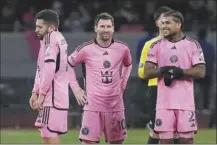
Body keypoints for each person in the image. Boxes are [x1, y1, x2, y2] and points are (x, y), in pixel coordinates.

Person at [68, 13, 132, 144]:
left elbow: (128, 64)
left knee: (118, 142)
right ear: (96, 28)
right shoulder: (85, 49)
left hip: (115, 106)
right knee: (87, 142)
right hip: (93, 106)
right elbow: (67, 65)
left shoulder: (122, 48)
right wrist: (76, 89)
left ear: (113, 28)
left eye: (108, 26)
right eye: (102, 26)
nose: (105, 29)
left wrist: (122, 84)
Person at [144, 10, 206, 144]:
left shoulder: (192, 45)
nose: (163, 26)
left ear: (178, 25)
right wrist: (164, 70)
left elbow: (201, 71)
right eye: (162, 23)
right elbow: (147, 72)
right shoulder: (156, 46)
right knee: (165, 141)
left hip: (185, 103)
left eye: (168, 23)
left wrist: (180, 72)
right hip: (164, 104)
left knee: (186, 140)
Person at [138, 6, 179, 144]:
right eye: (164, 20)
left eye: (170, 20)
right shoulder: (150, 45)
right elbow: (141, 72)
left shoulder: (183, 44)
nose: (166, 23)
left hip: (178, 90)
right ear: (157, 23)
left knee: (179, 130)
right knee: (157, 130)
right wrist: (161, 71)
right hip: (157, 90)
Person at [29, 9, 69, 144]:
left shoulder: (50, 40)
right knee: (46, 133)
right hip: (54, 95)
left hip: (52, 97)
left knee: (49, 133)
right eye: (36, 26)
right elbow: (41, 69)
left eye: (40, 27)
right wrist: (35, 91)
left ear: (51, 27)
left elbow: (49, 71)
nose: (36, 30)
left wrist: (41, 94)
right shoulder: (55, 39)